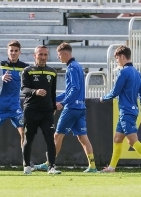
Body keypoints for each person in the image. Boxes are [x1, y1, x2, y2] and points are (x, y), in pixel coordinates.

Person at [34, 43, 97, 172]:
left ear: (65, 54)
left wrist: (62, 103)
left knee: (57, 136)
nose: (58, 58)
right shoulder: (77, 66)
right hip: (80, 108)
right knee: (83, 137)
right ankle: (93, 166)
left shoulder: (71, 68)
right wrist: (53, 98)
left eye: (59, 55)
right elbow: (71, 90)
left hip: (72, 108)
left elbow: (74, 89)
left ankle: (48, 163)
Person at [100, 45, 141, 173]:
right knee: (117, 138)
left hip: (126, 112)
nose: (117, 61)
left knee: (132, 141)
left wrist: (104, 98)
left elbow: (115, 91)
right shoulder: (137, 73)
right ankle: (111, 168)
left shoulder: (123, 72)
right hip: (130, 111)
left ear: (122, 57)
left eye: (117, 59)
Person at [21, 45, 61, 175]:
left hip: (46, 112)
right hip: (31, 110)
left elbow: (53, 92)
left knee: (50, 139)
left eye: (45, 55)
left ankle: (52, 167)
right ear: (35, 56)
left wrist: (54, 107)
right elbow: (24, 89)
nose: (43, 57)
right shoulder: (27, 70)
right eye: (40, 55)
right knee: (28, 139)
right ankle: (27, 166)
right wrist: (35, 91)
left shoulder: (52, 72)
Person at [0, 40, 29, 150]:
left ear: (20, 52)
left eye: (16, 51)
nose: (13, 53)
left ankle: (26, 162)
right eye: (11, 51)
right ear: (7, 52)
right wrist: (0, 78)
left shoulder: (25, 67)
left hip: (14, 106)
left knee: (24, 133)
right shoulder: (0, 65)